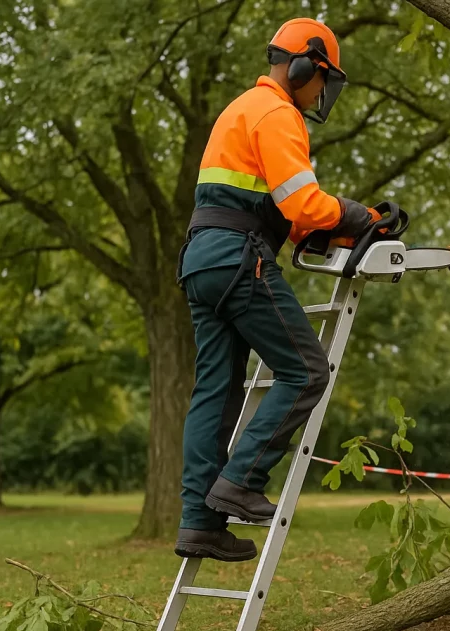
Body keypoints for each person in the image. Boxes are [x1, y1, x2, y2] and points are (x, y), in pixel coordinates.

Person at [173, 18, 382, 562]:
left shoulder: (239, 110)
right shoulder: (279, 115)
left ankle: (198, 521)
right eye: (323, 80)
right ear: (304, 65)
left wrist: (335, 228)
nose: (321, 93)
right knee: (307, 370)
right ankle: (241, 482)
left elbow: (282, 214)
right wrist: (360, 216)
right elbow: (304, 204)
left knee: (216, 392)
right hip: (240, 260)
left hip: (201, 259)